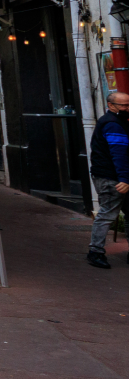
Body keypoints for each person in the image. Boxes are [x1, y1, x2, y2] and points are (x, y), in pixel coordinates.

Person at [88, 90, 129, 268]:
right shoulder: (113, 124)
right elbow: (118, 154)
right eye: (124, 105)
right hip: (113, 178)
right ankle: (95, 252)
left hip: (109, 175)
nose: (127, 108)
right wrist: (125, 178)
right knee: (107, 214)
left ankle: (96, 251)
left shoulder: (113, 122)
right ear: (111, 106)